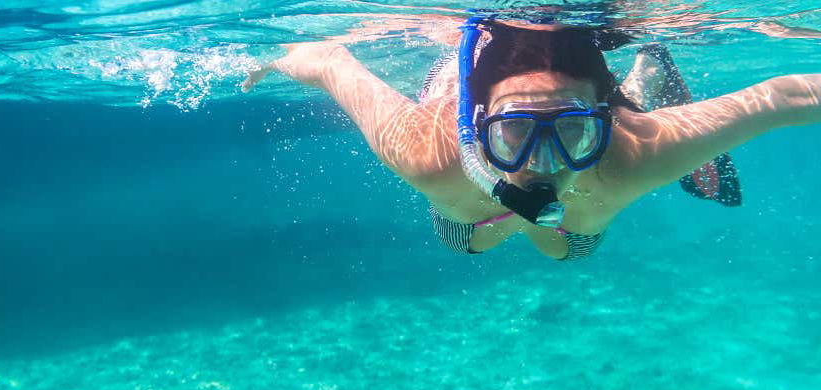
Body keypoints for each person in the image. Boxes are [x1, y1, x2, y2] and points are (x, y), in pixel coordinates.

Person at [245, 17, 821, 260]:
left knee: (564, 250)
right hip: (467, 155)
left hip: (575, 223)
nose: (542, 163)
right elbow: (328, 60)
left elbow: (790, 98)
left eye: (571, 129)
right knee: (466, 242)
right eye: (516, 129)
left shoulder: (636, 150)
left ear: (601, 120)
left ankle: (648, 65)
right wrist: (275, 61)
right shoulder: (430, 151)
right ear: (477, 127)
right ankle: (468, 76)